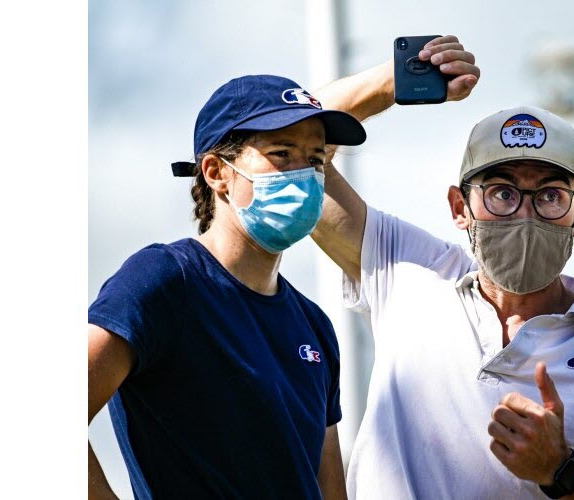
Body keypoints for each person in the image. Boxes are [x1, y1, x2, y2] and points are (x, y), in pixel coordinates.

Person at [312, 36, 574, 498]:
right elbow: (293, 152)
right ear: (460, 206)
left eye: (551, 196)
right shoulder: (408, 274)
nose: (524, 214)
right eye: (501, 192)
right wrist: (393, 80)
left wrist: (564, 473)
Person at [87, 74, 368, 499]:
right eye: (281, 153)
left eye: (315, 160)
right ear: (217, 172)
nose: (305, 175)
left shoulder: (314, 325)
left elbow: (328, 490)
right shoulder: (164, 280)